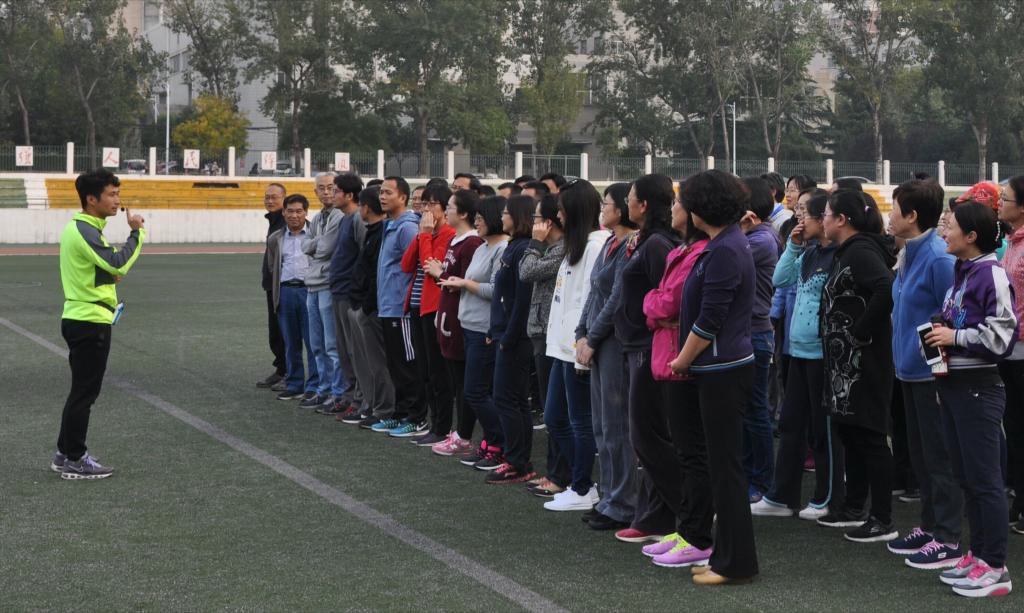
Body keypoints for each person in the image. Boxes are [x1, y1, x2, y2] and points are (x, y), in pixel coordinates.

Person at [669, 169, 759, 585]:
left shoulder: (725, 249)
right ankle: (726, 556)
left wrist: (682, 359)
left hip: (724, 370)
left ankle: (735, 563)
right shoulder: (722, 244)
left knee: (726, 470)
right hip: (720, 369)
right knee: (724, 468)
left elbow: (710, 319)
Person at [925, 202, 1018, 597]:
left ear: (972, 235)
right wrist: (941, 335)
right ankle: (978, 555)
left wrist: (955, 337)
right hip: (955, 386)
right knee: (966, 477)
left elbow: (1002, 336)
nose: (944, 232)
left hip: (979, 388)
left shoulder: (991, 273)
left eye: (950, 226)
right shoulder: (961, 272)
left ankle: (995, 567)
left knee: (985, 480)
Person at [883, 179, 964, 569]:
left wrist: (941, 373)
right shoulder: (909, 252)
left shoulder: (937, 258)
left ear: (912, 216)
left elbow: (952, 317)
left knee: (939, 457)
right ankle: (930, 526)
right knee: (920, 456)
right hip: (908, 372)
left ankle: (948, 536)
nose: (889, 214)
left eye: (895, 207)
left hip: (933, 375)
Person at [751, 193, 843, 520]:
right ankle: (781, 496)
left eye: (806, 214)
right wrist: (793, 246)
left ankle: (826, 497)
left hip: (822, 354)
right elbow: (779, 279)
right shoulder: (809, 252)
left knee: (822, 430)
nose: (799, 219)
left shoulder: (839, 256)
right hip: (798, 350)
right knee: (790, 424)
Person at [51, 169, 145, 480]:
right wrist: (137, 234)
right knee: (84, 393)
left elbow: (103, 270)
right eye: (112, 194)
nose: (118, 200)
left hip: (82, 317)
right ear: (92, 199)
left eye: (118, 194)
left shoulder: (87, 228)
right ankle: (75, 460)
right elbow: (118, 263)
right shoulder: (84, 229)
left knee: (80, 391)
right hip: (89, 321)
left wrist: (108, 274)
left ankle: (65, 454)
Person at [818, 190, 898, 543]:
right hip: (845, 366)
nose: (822, 219)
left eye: (826, 213)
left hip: (864, 363)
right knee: (850, 433)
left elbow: (886, 287)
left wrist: (860, 331)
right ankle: (853, 508)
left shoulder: (861, 251)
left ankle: (882, 518)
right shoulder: (849, 251)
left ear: (842, 220)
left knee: (870, 436)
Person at [638, 183, 711, 567]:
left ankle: (697, 534)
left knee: (692, 453)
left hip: (682, 362)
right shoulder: (680, 251)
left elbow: (670, 303)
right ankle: (687, 528)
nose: (673, 208)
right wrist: (655, 305)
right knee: (684, 451)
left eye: (680, 203)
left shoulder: (699, 253)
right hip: (666, 358)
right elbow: (655, 302)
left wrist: (655, 305)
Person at [612, 174, 681, 544]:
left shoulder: (656, 244)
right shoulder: (644, 240)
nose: (627, 203)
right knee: (646, 437)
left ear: (644, 205)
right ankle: (655, 517)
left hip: (649, 347)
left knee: (649, 437)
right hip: (635, 345)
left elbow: (666, 299)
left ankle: (690, 508)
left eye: (631, 197)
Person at [542, 179, 609, 511]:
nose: (558, 215)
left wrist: (584, 345)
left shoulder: (596, 247)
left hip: (576, 348)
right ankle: (583, 483)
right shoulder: (577, 245)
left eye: (562, 209)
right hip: (561, 347)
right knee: (554, 417)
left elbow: (590, 302)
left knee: (578, 420)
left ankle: (582, 487)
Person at [576, 183, 639, 531]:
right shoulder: (610, 242)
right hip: (597, 340)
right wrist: (580, 332)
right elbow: (594, 291)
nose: (604, 208)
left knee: (616, 426)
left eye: (608, 203)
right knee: (601, 425)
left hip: (614, 342)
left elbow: (617, 298)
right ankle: (608, 497)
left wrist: (593, 336)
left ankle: (623, 502)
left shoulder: (630, 246)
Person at [440, 196, 509, 466]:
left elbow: (496, 290)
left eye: (480, 217)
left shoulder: (502, 249)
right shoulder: (482, 247)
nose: (476, 222)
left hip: (484, 329)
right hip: (469, 326)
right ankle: (492, 441)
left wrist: (464, 284)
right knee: (474, 391)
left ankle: (500, 441)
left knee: (475, 392)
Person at [518, 194, 571, 497]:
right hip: (542, 332)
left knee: (556, 412)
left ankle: (561, 475)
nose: (533, 223)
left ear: (548, 222)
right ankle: (554, 472)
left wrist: (534, 245)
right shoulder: (553, 249)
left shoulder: (561, 249)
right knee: (552, 410)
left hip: (552, 336)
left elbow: (526, 272)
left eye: (537, 217)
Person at [424, 189, 484, 455]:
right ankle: (459, 432)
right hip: (448, 317)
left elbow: (464, 282)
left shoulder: (471, 243)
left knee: (463, 384)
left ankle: (464, 434)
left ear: (463, 213)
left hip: (461, 320)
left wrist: (440, 273)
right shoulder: (456, 240)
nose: (445, 211)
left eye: (449, 207)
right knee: (455, 379)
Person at [486, 195, 537, 484]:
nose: (502, 217)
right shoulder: (514, 246)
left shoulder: (522, 249)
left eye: (506, 213)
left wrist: (508, 336)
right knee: (513, 399)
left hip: (515, 338)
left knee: (508, 399)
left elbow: (521, 300)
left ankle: (517, 461)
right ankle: (519, 459)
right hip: (506, 334)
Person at [401, 183, 456, 445]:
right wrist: (422, 235)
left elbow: (429, 266)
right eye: (423, 203)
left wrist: (425, 236)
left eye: (431, 203)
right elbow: (406, 264)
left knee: (438, 373)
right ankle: (434, 426)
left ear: (444, 209)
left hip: (435, 309)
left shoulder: (448, 235)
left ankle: (441, 427)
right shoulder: (426, 233)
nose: (425, 208)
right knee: (425, 371)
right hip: (417, 307)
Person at [375, 176, 428, 436]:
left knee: (408, 365)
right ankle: (399, 413)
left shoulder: (407, 227)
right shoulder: (391, 225)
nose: (382, 196)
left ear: (403, 198)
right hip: (388, 306)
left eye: (388, 192)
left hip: (401, 309)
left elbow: (418, 265)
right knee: (396, 365)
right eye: (381, 192)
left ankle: (416, 418)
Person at [740, 177, 782, 503]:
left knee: (755, 412)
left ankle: (761, 480)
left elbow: (719, 260)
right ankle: (749, 474)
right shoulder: (753, 236)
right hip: (748, 332)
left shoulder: (761, 240)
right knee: (746, 410)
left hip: (756, 333)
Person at [348, 187, 397, 429]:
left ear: (366, 208)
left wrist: (366, 306)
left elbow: (378, 274)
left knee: (377, 363)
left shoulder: (383, 233)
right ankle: (373, 406)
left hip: (372, 308)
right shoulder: (375, 232)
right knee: (366, 362)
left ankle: (384, 410)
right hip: (365, 305)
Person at [268, 195, 319, 406]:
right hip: (286, 292)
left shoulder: (316, 234)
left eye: (299, 211)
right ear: (283, 212)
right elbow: (273, 266)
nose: (294, 215)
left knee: (313, 342)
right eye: (290, 211)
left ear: (306, 212)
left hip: (310, 291)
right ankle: (295, 384)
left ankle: (314, 386)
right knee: (290, 342)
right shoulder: (276, 238)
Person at [302, 172, 346, 412]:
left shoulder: (339, 216)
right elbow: (306, 245)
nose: (327, 192)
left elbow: (325, 249)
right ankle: (324, 389)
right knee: (316, 344)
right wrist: (316, 244)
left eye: (331, 187)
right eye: (322, 188)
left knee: (332, 344)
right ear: (315, 191)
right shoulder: (318, 217)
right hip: (313, 284)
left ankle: (337, 393)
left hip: (328, 284)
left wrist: (315, 244)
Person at [328, 173, 368, 423]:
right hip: (338, 291)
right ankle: (351, 395)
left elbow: (364, 256)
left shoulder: (358, 220)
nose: (332, 195)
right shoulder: (345, 219)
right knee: (343, 350)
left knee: (355, 351)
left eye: (336, 191)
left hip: (350, 294)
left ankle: (360, 399)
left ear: (349, 195)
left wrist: (356, 290)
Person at [999, 176, 1024, 532]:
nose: (1000, 204)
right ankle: (1019, 497)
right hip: (1009, 348)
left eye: (1005, 199)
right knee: (1015, 429)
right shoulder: (1012, 242)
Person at [257, 183, 288, 389]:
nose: (270, 200)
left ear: (284, 199)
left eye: (274, 197)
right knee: (275, 331)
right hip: (272, 285)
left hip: (283, 286)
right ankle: (281, 369)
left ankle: (288, 372)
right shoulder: (274, 221)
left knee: (284, 331)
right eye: (267, 197)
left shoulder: (286, 222)